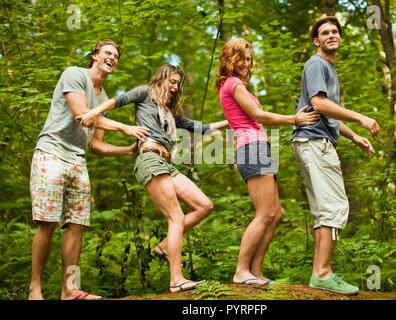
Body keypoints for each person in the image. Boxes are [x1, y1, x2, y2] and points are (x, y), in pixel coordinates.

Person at [77, 64, 228, 293]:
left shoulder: (168, 112)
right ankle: (176, 280)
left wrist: (232, 121)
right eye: (172, 82)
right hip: (150, 158)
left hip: (166, 163)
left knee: (204, 205)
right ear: (161, 79)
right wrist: (93, 113)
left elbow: (201, 127)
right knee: (176, 216)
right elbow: (117, 101)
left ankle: (165, 247)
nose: (175, 87)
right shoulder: (144, 92)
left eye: (178, 83)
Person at [29, 39, 151, 300]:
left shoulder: (105, 98)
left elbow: (96, 145)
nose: (112, 58)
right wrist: (125, 127)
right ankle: (34, 289)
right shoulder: (74, 74)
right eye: (107, 53)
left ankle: (69, 289)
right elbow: (82, 114)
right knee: (48, 223)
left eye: (116, 56)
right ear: (95, 56)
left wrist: (128, 150)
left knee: (76, 225)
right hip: (51, 152)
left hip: (78, 159)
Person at [215, 38, 320, 285]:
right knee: (264, 214)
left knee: (275, 213)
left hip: (258, 147)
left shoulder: (236, 85)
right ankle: (241, 271)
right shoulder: (233, 84)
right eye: (241, 58)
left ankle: (256, 272)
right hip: (251, 148)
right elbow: (259, 115)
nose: (246, 63)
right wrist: (294, 120)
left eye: (249, 59)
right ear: (230, 59)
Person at [291, 14, 380, 295]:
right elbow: (319, 103)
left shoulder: (326, 68)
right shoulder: (317, 63)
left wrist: (354, 137)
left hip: (312, 142)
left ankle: (319, 275)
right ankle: (323, 273)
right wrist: (360, 118)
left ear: (340, 37)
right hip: (315, 144)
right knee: (334, 207)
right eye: (325, 32)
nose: (332, 35)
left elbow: (326, 112)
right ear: (316, 41)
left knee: (323, 211)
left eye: (335, 31)